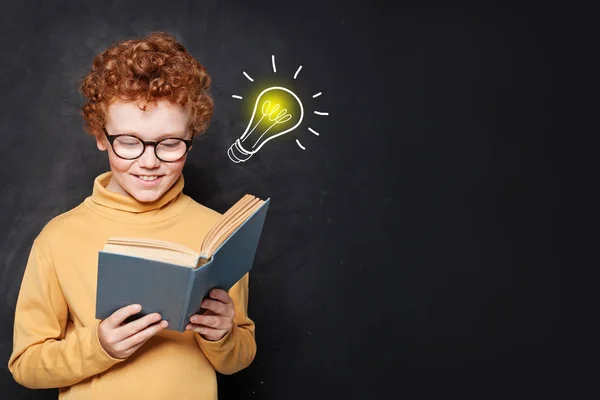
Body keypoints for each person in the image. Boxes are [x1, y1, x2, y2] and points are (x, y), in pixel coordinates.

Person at [7, 31, 256, 399]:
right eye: (128, 142)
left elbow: (238, 358)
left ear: (191, 136)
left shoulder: (218, 233)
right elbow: (25, 365)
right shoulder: (57, 238)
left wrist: (222, 336)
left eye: (170, 143)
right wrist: (99, 347)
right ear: (100, 136)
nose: (149, 161)